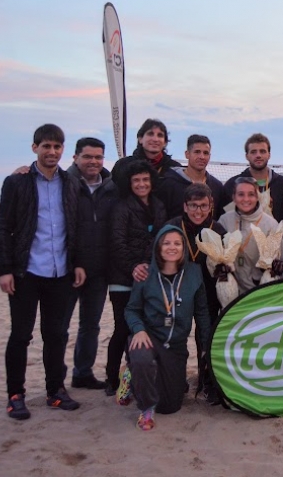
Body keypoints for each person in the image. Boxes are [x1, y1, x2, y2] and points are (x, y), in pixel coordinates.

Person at [0, 124, 82, 419]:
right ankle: (15, 394)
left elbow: (76, 227)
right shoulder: (16, 182)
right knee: (21, 335)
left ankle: (54, 391)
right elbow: (3, 228)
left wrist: (78, 263)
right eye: (46, 146)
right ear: (35, 148)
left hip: (60, 272)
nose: (52, 152)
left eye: (57, 147)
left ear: (63, 150)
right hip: (25, 272)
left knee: (56, 334)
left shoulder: (71, 182)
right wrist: (4, 269)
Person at [119, 225, 210, 431]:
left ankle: (132, 376)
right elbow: (131, 309)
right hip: (149, 338)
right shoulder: (145, 273)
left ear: (183, 248)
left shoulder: (194, 273)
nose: (172, 247)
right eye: (166, 243)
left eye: (177, 243)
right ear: (158, 247)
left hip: (176, 345)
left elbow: (202, 313)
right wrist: (138, 329)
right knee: (142, 358)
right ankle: (146, 408)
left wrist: (206, 343)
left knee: (170, 406)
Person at [107, 161, 167, 395]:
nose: (141, 184)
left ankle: (136, 373)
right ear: (129, 184)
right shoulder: (121, 207)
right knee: (122, 329)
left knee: (146, 327)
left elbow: (160, 238)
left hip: (149, 274)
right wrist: (133, 266)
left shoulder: (159, 206)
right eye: (136, 180)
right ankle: (112, 379)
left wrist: (150, 266)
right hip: (123, 276)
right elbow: (117, 242)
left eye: (145, 179)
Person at [165, 183, 226, 403]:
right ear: (185, 206)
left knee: (206, 337)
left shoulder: (218, 230)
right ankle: (176, 380)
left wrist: (224, 269)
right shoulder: (173, 227)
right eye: (193, 206)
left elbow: (226, 261)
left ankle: (207, 382)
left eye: (203, 206)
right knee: (177, 337)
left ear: (211, 206)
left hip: (207, 294)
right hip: (179, 293)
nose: (198, 211)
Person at [66, 136, 119, 390]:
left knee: (91, 324)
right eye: (87, 156)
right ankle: (54, 382)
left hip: (98, 271)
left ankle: (82, 373)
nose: (93, 161)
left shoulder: (111, 187)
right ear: (75, 157)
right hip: (66, 269)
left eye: (98, 157)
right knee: (59, 329)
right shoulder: (63, 183)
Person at [217, 177, 283, 294]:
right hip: (232, 291)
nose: (246, 199)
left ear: (257, 196)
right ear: (233, 197)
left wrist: (275, 267)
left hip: (258, 291)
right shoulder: (224, 221)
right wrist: (219, 267)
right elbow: (216, 257)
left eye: (251, 194)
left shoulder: (270, 224)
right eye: (241, 194)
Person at [223, 133, 283, 224]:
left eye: (262, 151)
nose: (258, 155)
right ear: (246, 156)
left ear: (269, 155)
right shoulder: (232, 185)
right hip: (243, 238)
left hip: (275, 236)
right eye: (253, 152)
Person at [156, 134, 225, 220]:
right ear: (187, 154)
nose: (202, 157)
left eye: (205, 153)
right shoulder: (168, 183)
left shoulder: (217, 187)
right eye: (197, 152)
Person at [111, 119, 181, 194]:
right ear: (140, 139)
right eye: (150, 134)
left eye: (160, 135)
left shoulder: (175, 169)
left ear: (165, 143)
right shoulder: (123, 165)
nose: (155, 139)